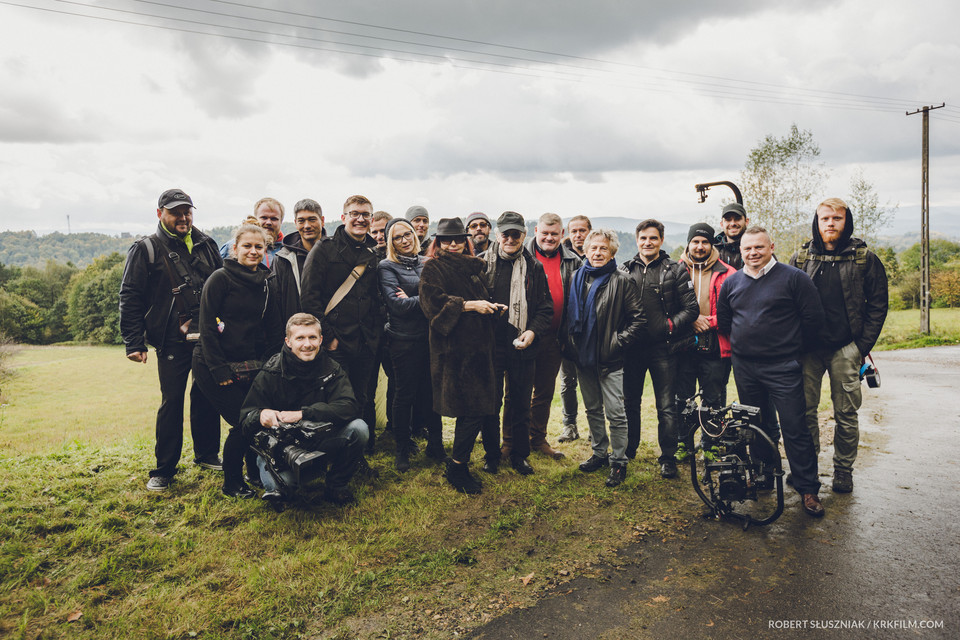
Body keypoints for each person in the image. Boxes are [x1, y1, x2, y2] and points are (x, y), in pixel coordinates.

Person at [717, 226, 826, 517]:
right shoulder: (732, 283)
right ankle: (764, 474)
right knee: (757, 426)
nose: (753, 253)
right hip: (745, 367)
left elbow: (813, 320)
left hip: (783, 366)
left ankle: (807, 488)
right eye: (747, 249)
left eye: (759, 248)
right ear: (740, 251)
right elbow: (726, 323)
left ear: (771, 246)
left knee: (794, 427)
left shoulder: (794, 279)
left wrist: (790, 351)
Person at [119, 188, 223, 492]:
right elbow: (130, 297)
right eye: (175, 212)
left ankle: (206, 454)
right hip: (170, 339)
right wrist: (133, 342)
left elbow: (222, 285)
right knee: (172, 402)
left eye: (187, 211)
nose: (183, 217)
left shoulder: (206, 244)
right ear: (160, 214)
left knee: (206, 394)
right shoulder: (146, 249)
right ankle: (164, 469)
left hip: (207, 335)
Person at [790, 198, 888, 494]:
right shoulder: (800, 258)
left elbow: (878, 306)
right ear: (816, 222)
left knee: (846, 412)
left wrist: (860, 346)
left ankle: (843, 471)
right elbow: (787, 302)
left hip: (846, 348)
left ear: (847, 222)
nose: (830, 223)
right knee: (803, 412)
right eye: (825, 218)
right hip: (807, 350)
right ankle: (806, 469)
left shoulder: (864, 258)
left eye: (837, 218)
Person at [193, 219, 284, 497]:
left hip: (250, 366)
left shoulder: (266, 283)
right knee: (243, 422)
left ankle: (254, 473)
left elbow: (269, 329)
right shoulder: (220, 279)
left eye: (259, 247)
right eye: (247, 246)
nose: (253, 251)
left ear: (266, 250)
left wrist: (268, 367)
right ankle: (231, 483)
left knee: (252, 421)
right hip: (213, 365)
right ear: (234, 248)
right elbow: (206, 327)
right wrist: (219, 370)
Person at [240, 313, 369, 506]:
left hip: (320, 441)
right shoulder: (271, 371)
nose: (307, 344)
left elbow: (349, 406)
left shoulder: (332, 368)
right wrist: (260, 415)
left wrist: (303, 414)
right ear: (288, 341)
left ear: (321, 340)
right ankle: (280, 482)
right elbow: (245, 419)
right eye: (300, 338)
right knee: (286, 491)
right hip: (282, 451)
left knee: (359, 428)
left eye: (312, 337)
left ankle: (336, 485)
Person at [419, 218, 502, 494]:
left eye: (457, 239)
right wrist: (469, 306)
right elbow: (433, 305)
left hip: (480, 350)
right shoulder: (433, 267)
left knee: (478, 408)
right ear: (438, 242)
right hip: (454, 353)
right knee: (472, 409)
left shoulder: (472, 268)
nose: (453, 244)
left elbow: (478, 300)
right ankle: (457, 467)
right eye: (446, 239)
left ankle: (460, 463)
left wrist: (489, 306)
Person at [300, 195, 383, 471]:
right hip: (338, 341)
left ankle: (360, 454)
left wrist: (374, 333)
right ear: (343, 216)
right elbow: (310, 299)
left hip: (367, 340)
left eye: (366, 215)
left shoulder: (374, 252)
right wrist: (328, 336)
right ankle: (337, 455)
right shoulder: (324, 249)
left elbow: (375, 297)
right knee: (339, 401)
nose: (360, 219)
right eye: (355, 213)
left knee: (364, 397)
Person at [620, 219, 699, 478]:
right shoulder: (625, 270)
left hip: (664, 349)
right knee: (630, 402)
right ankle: (629, 450)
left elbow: (691, 309)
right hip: (632, 349)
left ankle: (667, 457)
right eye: (643, 238)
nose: (648, 242)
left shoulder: (675, 270)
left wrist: (668, 326)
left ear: (661, 240)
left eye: (653, 238)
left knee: (666, 406)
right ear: (637, 239)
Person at [567, 229, 643, 487]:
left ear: (612, 252)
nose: (597, 253)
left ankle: (619, 461)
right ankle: (599, 452)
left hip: (610, 360)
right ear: (585, 251)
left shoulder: (622, 280)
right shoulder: (577, 277)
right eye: (593, 248)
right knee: (592, 410)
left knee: (616, 413)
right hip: (583, 358)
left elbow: (638, 320)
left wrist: (616, 343)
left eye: (603, 249)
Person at [484, 211, 553, 476]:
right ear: (497, 234)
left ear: (524, 235)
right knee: (491, 403)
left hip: (522, 345)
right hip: (490, 345)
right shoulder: (483, 263)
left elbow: (545, 307)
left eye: (516, 234)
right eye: (506, 233)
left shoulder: (533, 267)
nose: (511, 238)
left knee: (521, 403)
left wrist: (533, 332)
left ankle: (519, 455)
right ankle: (491, 455)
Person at [378, 218, 445, 471]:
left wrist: (417, 298)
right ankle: (402, 449)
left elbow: (440, 298)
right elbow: (397, 305)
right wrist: (425, 299)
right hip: (403, 341)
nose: (405, 240)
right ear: (391, 242)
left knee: (432, 392)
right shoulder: (386, 267)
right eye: (398, 237)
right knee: (404, 395)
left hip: (430, 339)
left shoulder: (428, 263)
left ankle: (436, 445)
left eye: (407, 234)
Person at [675, 223, 736, 461]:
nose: (699, 246)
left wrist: (709, 321)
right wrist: (690, 320)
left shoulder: (728, 273)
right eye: (695, 241)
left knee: (713, 399)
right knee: (683, 398)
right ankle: (684, 444)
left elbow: (734, 310)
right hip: (684, 345)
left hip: (716, 345)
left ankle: (710, 444)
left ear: (712, 245)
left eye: (704, 242)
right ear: (688, 244)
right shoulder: (676, 270)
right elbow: (668, 308)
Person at [523, 213, 582, 459]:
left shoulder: (573, 261)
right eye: (544, 233)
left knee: (544, 392)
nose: (549, 238)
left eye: (554, 234)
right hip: (523, 335)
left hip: (554, 336)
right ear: (535, 231)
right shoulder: (522, 256)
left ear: (562, 235)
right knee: (517, 391)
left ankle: (537, 439)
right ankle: (514, 441)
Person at [558, 214, 592, 443]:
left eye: (582, 230)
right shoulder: (562, 258)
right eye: (574, 231)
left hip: (592, 331)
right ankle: (569, 425)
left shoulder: (599, 253)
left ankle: (594, 426)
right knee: (568, 380)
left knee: (591, 380)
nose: (578, 235)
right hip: (566, 329)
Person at [366, 209, 395, 443]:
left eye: (382, 231)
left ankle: (394, 429)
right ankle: (367, 436)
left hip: (395, 329)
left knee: (396, 381)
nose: (378, 236)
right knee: (368, 382)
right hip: (371, 329)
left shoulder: (399, 257)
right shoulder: (365, 258)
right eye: (373, 231)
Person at [273, 198, 325, 323]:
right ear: (295, 223)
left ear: (322, 221)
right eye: (301, 221)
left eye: (312, 219)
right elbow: (276, 303)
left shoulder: (335, 254)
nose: (307, 226)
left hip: (331, 335)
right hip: (295, 335)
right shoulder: (283, 259)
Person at [220, 197, 285, 266]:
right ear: (256, 218)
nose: (268, 222)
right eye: (264, 217)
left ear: (281, 222)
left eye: (274, 219)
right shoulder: (231, 247)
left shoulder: (287, 250)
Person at [714, 203, 749, 271]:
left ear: (746, 222)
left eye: (737, 219)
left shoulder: (757, 249)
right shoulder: (714, 253)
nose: (733, 224)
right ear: (722, 224)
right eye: (728, 220)